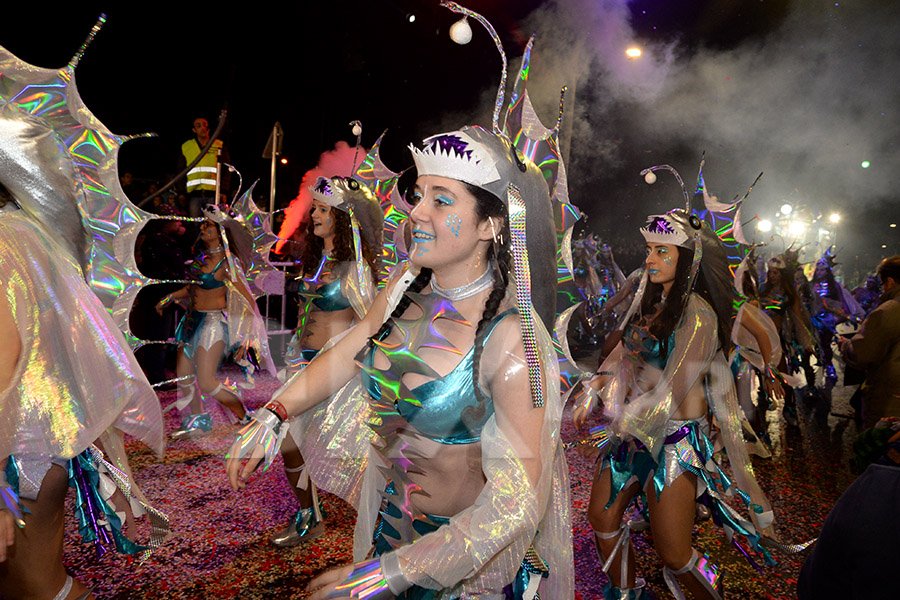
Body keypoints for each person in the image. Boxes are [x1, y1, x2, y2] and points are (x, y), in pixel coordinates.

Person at [226, 126, 572, 599]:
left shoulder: (513, 339)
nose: (417, 211)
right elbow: (347, 351)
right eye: (420, 194)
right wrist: (275, 412)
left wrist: (391, 573)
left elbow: (516, 503)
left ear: (491, 225)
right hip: (386, 532)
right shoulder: (405, 287)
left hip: (459, 565)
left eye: (442, 200)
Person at [574, 209, 776, 600]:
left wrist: (615, 427)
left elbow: (672, 390)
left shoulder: (698, 314)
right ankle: (627, 592)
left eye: (662, 251)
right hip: (632, 437)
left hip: (674, 445)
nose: (649, 259)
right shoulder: (652, 303)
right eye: (649, 250)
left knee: (675, 553)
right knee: (601, 517)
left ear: (688, 260)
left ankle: (710, 593)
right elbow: (625, 353)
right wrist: (595, 384)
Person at [1, 187, 165, 600]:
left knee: (35, 587)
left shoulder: (5, 240)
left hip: (17, 452)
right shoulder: (28, 232)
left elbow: (5, 358)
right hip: (41, 438)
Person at [270, 175, 382, 547]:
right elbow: (305, 314)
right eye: (314, 208)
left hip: (337, 371)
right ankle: (309, 516)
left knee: (353, 450)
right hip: (302, 363)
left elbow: (371, 323)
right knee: (289, 442)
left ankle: (382, 520)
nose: (313, 214)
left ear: (342, 216)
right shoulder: (314, 261)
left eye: (321, 209)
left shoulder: (357, 269)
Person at [156, 211, 274, 439]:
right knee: (185, 377)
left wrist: (248, 335)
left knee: (207, 381)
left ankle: (245, 416)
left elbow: (246, 299)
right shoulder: (201, 259)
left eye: (208, 226)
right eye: (203, 225)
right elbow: (194, 288)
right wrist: (170, 297)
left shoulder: (228, 263)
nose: (202, 229)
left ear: (221, 234)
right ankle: (198, 422)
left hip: (212, 324)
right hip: (190, 321)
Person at [838, 255, 900, 427]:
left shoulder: (888, 311)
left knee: (880, 446)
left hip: (890, 403)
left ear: (890, 281)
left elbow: (862, 354)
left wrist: (845, 345)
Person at [179, 117, 228, 217]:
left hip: (213, 194)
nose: (202, 128)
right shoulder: (187, 146)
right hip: (194, 194)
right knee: (196, 224)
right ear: (194, 130)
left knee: (213, 224)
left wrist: (223, 190)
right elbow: (180, 170)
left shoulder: (219, 145)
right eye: (199, 126)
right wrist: (181, 192)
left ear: (208, 129)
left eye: (204, 125)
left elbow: (227, 170)